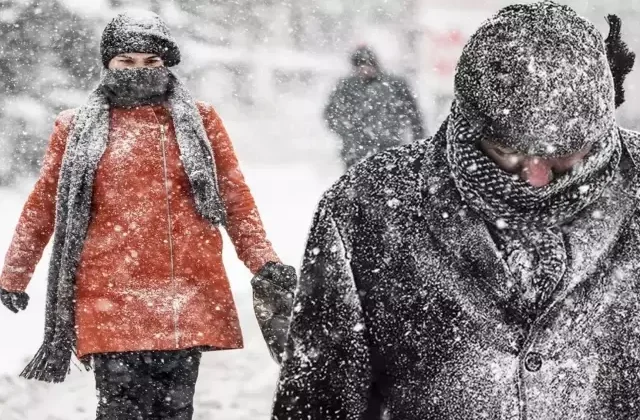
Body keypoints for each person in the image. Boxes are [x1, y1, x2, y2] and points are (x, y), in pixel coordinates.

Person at [273, 3, 639, 419]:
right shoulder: (368, 204)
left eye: (563, 154)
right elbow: (323, 394)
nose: (536, 178)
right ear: (469, 123)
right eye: (506, 151)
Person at [0, 11, 296, 420]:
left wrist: (263, 259)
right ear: (107, 63)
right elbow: (44, 204)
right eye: (126, 61)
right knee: (120, 410)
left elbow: (233, 196)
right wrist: (14, 274)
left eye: (150, 62)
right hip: (109, 296)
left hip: (185, 294)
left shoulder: (199, 121)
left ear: (166, 63)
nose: (138, 71)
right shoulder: (74, 129)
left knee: (174, 411)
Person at [324, 45, 426, 170]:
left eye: (368, 64)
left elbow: (413, 114)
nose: (365, 69)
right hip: (356, 153)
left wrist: (418, 142)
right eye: (360, 65)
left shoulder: (394, 84)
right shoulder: (345, 87)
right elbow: (331, 114)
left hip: (389, 151)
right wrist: (348, 133)